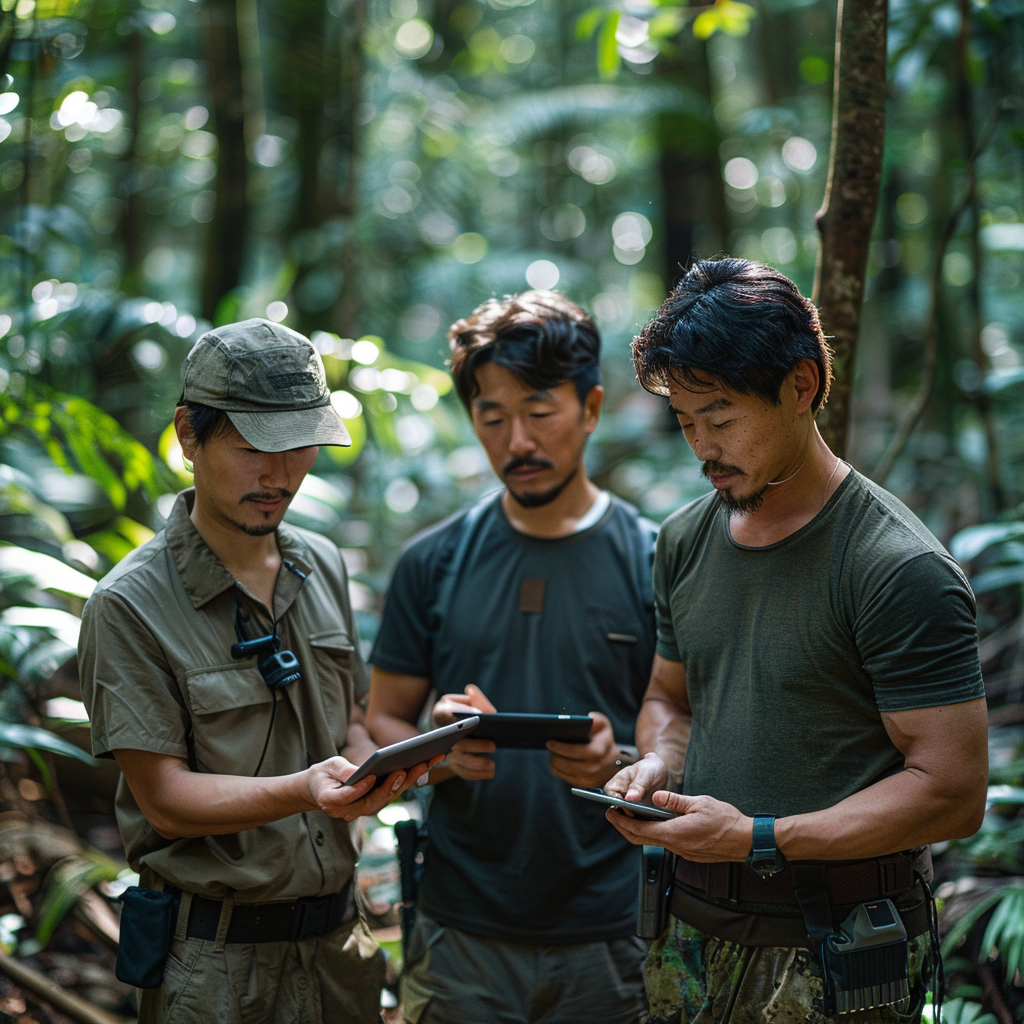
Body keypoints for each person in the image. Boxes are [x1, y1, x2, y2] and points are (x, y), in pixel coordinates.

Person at [603, 257, 989, 1024]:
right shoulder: (684, 538)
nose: (701, 447)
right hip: (687, 930)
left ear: (802, 386)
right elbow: (669, 697)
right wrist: (655, 764)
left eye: (720, 417)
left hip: (835, 948)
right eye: (684, 422)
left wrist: (760, 838)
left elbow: (951, 792)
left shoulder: (896, 568)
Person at [78, 319, 436, 1024]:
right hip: (214, 969)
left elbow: (352, 726)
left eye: (300, 448)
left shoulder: (322, 563)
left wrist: (381, 769)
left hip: (339, 948)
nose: (280, 476)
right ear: (189, 435)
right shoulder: (130, 605)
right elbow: (165, 800)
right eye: (252, 450)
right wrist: (306, 790)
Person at [365, 291, 657, 1024]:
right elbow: (383, 720)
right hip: (459, 932)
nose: (516, 440)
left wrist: (617, 762)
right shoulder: (431, 562)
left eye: (539, 410)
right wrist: (438, 753)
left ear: (590, 409)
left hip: (614, 932)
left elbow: (688, 731)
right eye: (491, 417)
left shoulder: (655, 561)